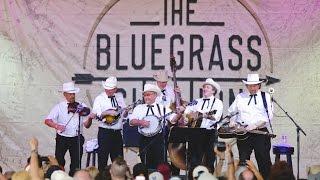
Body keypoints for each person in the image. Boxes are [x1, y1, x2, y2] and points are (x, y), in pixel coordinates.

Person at [228, 73, 273, 179]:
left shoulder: (265, 96)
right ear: (247, 86)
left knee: (263, 160)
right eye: (250, 86)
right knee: (243, 161)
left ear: (258, 85)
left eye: (254, 85)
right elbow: (232, 112)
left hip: (260, 132)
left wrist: (255, 125)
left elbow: (269, 115)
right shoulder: (240, 97)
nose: (252, 88)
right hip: (244, 133)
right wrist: (232, 121)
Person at [129, 84, 182, 169]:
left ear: (155, 95)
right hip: (144, 139)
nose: (146, 97)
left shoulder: (161, 108)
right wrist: (141, 122)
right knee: (145, 165)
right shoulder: (139, 108)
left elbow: (173, 119)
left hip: (158, 139)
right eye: (145, 95)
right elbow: (131, 121)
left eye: (148, 95)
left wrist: (179, 114)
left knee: (160, 165)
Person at [44, 82, 90, 176]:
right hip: (62, 138)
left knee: (76, 163)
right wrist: (57, 126)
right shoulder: (59, 107)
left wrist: (90, 118)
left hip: (76, 138)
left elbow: (86, 125)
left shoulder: (81, 106)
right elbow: (47, 120)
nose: (72, 96)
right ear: (64, 94)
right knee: (59, 161)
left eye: (73, 94)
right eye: (70, 94)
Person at [85, 76, 128, 172]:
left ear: (115, 89)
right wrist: (109, 112)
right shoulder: (100, 98)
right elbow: (97, 113)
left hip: (117, 132)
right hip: (105, 132)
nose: (108, 91)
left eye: (110, 89)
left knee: (118, 161)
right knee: (103, 160)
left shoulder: (119, 97)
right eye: (107, 89)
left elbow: (124, 115)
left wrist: (125, 111)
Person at [183, 78, 223, 173]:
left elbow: (216, 117)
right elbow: (187, 111)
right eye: (204, 87)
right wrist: (187, 118)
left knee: (209, 160)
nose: (205, 89)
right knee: (193, 161)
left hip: (210, 133)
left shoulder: (218, 103)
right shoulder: (197, 101)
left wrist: (204, 115)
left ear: (213, 90)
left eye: (208, 87)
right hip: (195, 132)